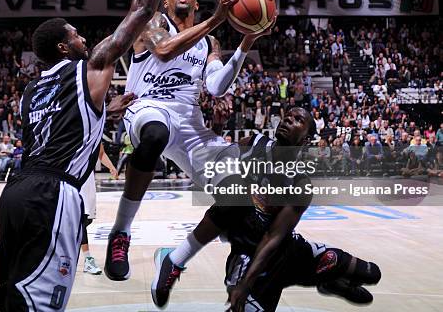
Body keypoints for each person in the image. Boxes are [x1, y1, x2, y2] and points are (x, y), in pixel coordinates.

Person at [0, 0, 197, 312]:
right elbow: (141, 11)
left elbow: (59, 129)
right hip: (53, 194)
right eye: (75, 34)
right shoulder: (89, 67)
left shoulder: (30, 91)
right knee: (42, 304)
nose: (83, 37)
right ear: (65, 48)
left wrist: (104, 110)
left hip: (14, 193)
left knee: (15, 294)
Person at [105, 0, 274, 279]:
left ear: (195, 2)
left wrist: (246, 42)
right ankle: (121, 232)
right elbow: (165, 51)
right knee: (156, 133)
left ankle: (174, 258)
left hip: (189, 124)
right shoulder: (153, 21)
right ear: (166, 2)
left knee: (234, 194)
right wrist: (216, 19)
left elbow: (216, 87)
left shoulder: (210, 43)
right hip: (146, 108)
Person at [151, 108, 381, 311]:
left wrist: (245, 284)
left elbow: (274, 237)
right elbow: (216, 159)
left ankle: (329, 281)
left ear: (306, 139)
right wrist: (218, 127)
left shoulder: (301, 182)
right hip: (250, 253)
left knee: (371, 273)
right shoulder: (254, 144)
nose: (288, 119)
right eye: (287, 116)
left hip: (285, 250)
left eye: (297, 119)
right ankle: (175, 259)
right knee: (236, 194)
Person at [81, 144, 118, 275]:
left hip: (88, 179)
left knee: (87, 221)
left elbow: (100, 153)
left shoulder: (95, 129)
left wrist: (111, 167)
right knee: (80, 221)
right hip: (73, 176)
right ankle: (87, 259)